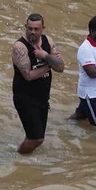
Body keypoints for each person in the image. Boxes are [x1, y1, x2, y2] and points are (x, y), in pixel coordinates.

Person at [11, 13, 65, 154]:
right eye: (30, 28)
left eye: (36, 29)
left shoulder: (48, 41)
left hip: (42, 97)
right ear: (25, 27)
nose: (32, 32)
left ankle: (27, 157)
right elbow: (28, 75)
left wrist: (45, 56)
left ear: (42, 28)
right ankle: (19, 158)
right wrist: (49, 63)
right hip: (25, 98)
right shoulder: (20, 47)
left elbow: (60, 67)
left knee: (33, 135)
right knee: (38, 139)